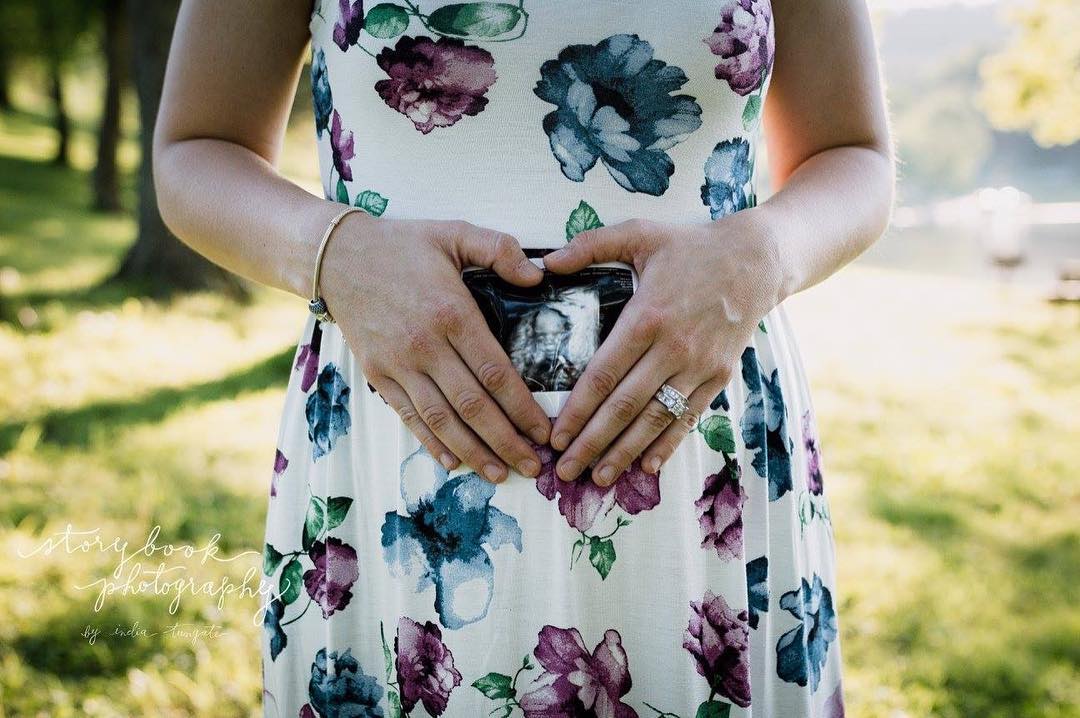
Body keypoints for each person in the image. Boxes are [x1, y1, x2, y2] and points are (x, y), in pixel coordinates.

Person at [154, 1, 894, 715]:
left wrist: (758, 258)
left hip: (699, 452)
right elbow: (196, 148)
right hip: (398, 456)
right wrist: (334, 252)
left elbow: (853, 153)